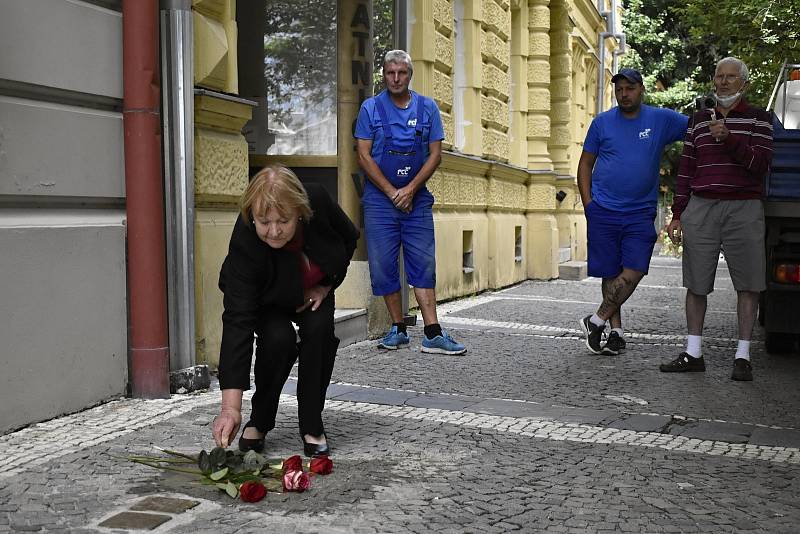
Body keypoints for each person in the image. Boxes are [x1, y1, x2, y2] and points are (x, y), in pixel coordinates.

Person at [211, 164, 360, 456]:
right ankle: (260, 420)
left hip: (313, 287)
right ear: (252, 215)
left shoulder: (316, 199)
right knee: (276, 340)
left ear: (300, 213)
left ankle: (312, 425)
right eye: (264, 222)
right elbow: (237, 322)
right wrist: (230, 408)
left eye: (284, 221)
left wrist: (327, 285)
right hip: (269, 296)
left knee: (318, 333)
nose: (275, 231)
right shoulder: (245, 239)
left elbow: (348, 239)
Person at [661, 57, 773, 381]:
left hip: (745, 207)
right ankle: (693, 352)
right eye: (719, 77)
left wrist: (729, 138)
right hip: (702, 205)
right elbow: (686, 169)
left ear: (744, 84)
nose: (723, 82)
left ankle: (743, 356)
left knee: (749, 284)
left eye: (731, 77)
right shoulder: (697, 120)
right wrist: (678, 214)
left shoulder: (759, 119)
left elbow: (760, 165)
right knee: (696, 282)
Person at [354, 49, 466, 355]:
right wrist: (392, 192)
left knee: (423, 262)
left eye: (401, 73)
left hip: (416, 200)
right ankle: (397, 328)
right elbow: (363, 155)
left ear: (409, 75)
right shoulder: (370, 109)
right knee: (382, 264)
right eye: (390, 73)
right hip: (380, 200)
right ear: (383, 75)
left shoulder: (427, 108)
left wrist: (411, 190)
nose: (395, 79)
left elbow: (435, 154)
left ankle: (432, 331)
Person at [578, 68, 688, 355]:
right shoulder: (602, 123)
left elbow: (696, 129)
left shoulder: (660, 119)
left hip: (640, 212)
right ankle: (615, 331)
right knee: (610, 271)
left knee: (635, 269)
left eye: (629, 88)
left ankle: (595, 320)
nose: (623, 94)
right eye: (619, 90)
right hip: (603, 209)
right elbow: (585, 164)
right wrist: (589, 204)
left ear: (641, 89)